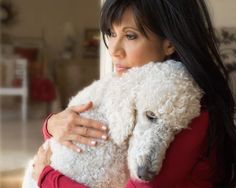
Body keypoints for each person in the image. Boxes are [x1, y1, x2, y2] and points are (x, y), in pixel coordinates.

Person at [31, 0, 236, 187]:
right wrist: (53, 125)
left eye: (130, 36)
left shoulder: (183, 111)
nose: (114, 51)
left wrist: (47, 177)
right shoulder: (133, 89)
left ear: (169, 43)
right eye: (111, 33)